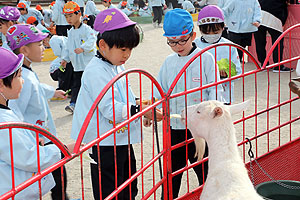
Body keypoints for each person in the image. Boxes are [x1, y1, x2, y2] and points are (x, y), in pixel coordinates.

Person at [70, 8, 162, 200]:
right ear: (102, 45)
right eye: (123, 49)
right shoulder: (95, 71)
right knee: (110, 189)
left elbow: (125, 97)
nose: (127, 54)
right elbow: (109, 108)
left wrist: (141, 106)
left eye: (130, 49)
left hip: (120, 137)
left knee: (129, 183)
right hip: (104, 141)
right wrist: (139, 110)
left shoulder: (116, 65)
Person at [153, 8, 221, 198]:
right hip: (175, 128)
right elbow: (159, 91)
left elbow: (215, 90)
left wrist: (214, 110)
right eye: (172, 42)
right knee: (171, 174)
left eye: (182, 40)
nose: (177, 46)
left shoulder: (206, 59)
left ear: (192, 34)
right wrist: (154, 108)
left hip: (200, 130)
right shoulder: (168, 62)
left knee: (206, 172)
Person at [6, 24, 70, 200]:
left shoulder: (25, 72)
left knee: (58, 173)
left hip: (42, 135)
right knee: (57, 173)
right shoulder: (22, 78)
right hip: (37, 138)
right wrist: (28, 137)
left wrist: (52, 92)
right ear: (25, 50)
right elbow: (14, 112)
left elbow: (37, 86)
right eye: (40, 44)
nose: (44, 47)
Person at [194, 5, 241, 104]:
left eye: (215, 31)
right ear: (199, 28)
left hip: (224, 96)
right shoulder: (195, 45)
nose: (211, 35)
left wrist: (227, 74)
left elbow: (238, 72)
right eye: (206, 32)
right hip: (200, 96)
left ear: (223, 27)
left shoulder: (229, 46)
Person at [61, 1, 97, 113]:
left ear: (79, 14)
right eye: (66, 16)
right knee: (76, 84)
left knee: (90, 84)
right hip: (77, 65)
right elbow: (68, 47)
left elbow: (92, 40)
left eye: (71, 16)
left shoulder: (87, 29)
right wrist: (65, 59)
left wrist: (83, 48)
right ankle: (73, 104)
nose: (68, 19)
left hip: (87, 64)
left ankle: (95, 103)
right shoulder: (70, 32)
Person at [254, 0, 291, 72]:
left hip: (259, 13)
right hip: (275, 13)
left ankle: (263, 64)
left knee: (259, 41)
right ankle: (278, 65)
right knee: (277, 41)